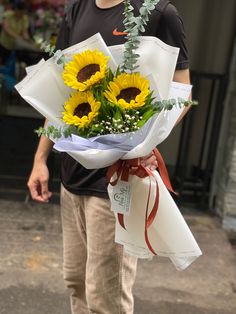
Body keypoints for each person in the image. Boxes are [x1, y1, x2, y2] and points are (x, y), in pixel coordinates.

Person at [27, 1, 190, 313]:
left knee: (106, 296)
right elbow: (62, 94)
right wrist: (40, 159)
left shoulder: (159, 13)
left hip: (119, 181)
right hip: (72, 176)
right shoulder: (77, 9)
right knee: (75, 282)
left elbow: (182, 93)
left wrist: (142, 146)